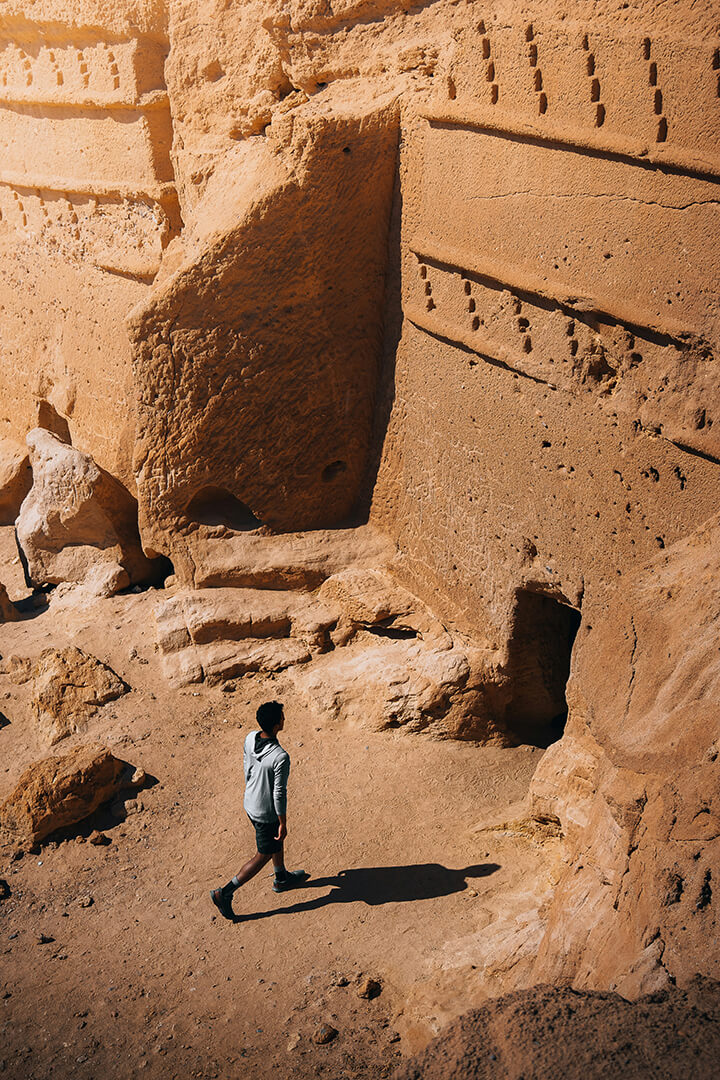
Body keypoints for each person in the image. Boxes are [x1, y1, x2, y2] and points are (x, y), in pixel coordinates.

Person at [210, 700, 307, 920]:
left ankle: (281, 877)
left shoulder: (250, 737)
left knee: (275, 840)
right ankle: (224, 893)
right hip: (265, 812)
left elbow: (247, 763)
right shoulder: (280, 756)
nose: (284, 719)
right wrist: (283, 822)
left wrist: (251, 788)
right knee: (263, 854)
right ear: (276, 725)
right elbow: (279, 793)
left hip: (250, 802)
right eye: (282, 717)